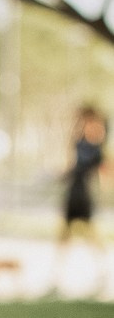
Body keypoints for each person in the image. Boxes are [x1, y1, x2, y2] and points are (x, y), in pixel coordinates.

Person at [52, 103, 107, 293]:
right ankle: (57, 277)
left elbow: (98, 169)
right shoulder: (80, 143)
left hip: (84, 194)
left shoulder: (96, 149)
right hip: (73, 192)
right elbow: (73, 167)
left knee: (91, 237)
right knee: (64, 237)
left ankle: (103, 273)